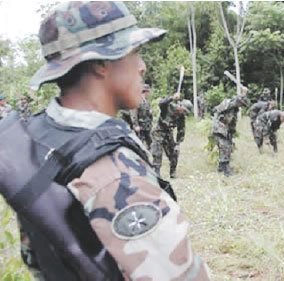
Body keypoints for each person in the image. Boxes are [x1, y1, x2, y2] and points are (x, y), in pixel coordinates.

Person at [15, 2, 210, 280]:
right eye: (135, 53)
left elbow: (34, 256)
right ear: (100, 63)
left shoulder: (38, 136)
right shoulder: (114, 174)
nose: (142, 67)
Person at [151, 92, 192, 178]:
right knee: (157, 152)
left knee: (174, 152)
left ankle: (172, 172)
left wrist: (178, 143)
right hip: (158, 131)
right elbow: (161, 103)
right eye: (183, 110)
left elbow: (181, 131)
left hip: (168, 133)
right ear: (180, 106)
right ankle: (156, 171)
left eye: (185, 112)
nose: (183, 112)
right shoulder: (169, 106)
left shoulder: (181, 117)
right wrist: (172, 98)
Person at [211, 87, 248, 176]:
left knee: (228, 146)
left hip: (226, 130)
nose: (241, 106)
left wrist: (232, 133)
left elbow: (232, 124)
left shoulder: (234, 109)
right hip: (220, 128)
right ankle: (226, 170)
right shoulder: (229, 103)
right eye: (241, 104)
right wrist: (243, 93)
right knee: (225, 146)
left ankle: (220, 167)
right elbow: (234, 101)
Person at [131, 84, 153, 149]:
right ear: (145, 92)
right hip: (140, 127)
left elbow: (149, 114)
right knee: (139, 144)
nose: (149, 94)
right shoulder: (137, 101)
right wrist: (136, 125)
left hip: (147, 126)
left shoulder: (146, 101)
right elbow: (134, 114)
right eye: (148, 92)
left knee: (150, 143)